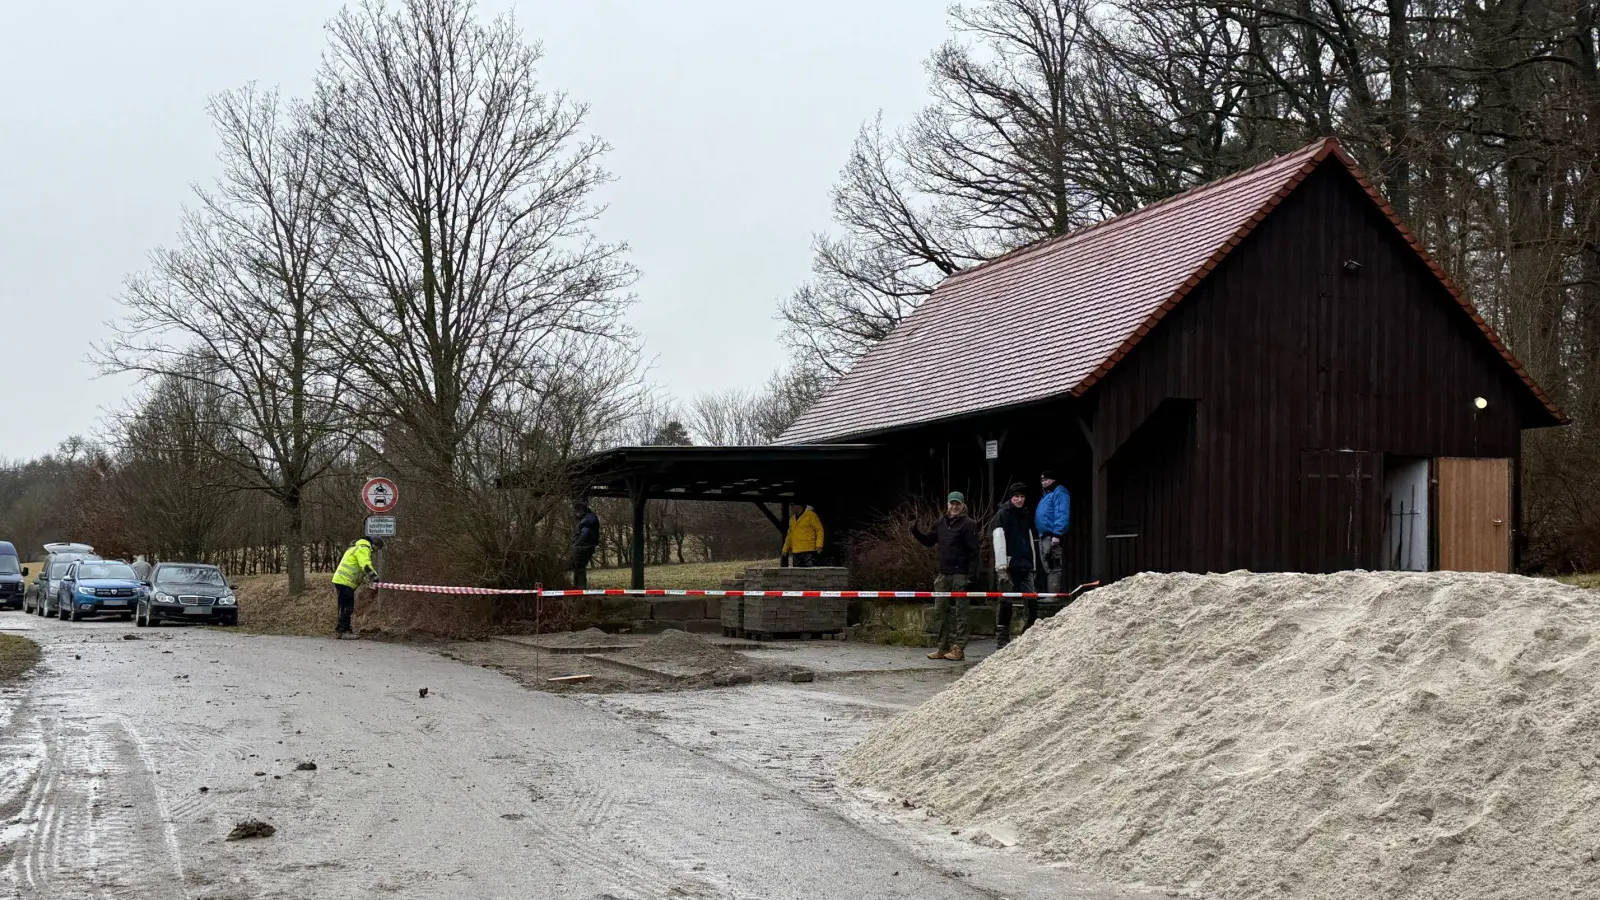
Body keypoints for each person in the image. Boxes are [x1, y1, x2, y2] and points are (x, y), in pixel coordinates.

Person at [911, 491, 980, 661]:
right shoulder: (941, 523)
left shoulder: (969, 524)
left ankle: (958, 648)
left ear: (963, 506)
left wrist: (971, 577)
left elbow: (975, 552)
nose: (954, 506)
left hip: (960, 574)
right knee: (940, 610)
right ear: (948, 504)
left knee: (961, 613)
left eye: (958, 504)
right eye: (952, 503)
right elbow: (929, 541)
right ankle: (943, 647)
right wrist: (915, 532)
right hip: (943, 574)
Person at [991, 483, 1038, 649]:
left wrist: (1033, 564)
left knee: (1032, 600)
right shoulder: (1003, 514)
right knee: (1006, 602)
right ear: (1011, 497)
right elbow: (998, 539)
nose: (1019, 500)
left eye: (1022, 497)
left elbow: (1030, 539)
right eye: (1016, 496)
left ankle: (1028, 633)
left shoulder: (1025, 514)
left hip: (1025, 564)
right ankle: (1002, 639)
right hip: (1008, 565)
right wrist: (1001, 567)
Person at [331, 537, 380, 638]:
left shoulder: (354, 548)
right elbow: (366, 565)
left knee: (343, 606)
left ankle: (342, 630)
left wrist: (367, 580)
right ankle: (344, 631)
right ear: (374, 545)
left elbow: (358, 569)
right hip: (346, 581)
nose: (376, 551)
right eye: (377, 548)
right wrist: (375, 578)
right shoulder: (363, 549)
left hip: (341, 580)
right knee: (347, 607)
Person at [1035, 469, 1071, 594]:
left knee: (1053, 564)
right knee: (1047, 564)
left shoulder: (1059, 492)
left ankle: (1054, 595)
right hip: (1044, 535)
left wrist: (1057, 534)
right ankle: (1051, 593)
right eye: (1042, 480)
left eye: (1046, 480)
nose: (1044, 482)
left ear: (1053, 480)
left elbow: (1062, 513)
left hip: (1053, 536)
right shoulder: (1047, 494)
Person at [781, 503, 825, 567]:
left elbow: (819, 530)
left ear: (799, 506)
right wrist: (785, 548)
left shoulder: (811, 515)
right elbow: (790, 535)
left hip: (808, 550)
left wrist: (819, 545)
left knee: (809, 573)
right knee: (797, 574)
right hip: (796, 551)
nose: (791, 508)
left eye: (792, 505)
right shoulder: (792, 519)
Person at [570, 501, 600, 588]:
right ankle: (579, 589)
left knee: (579, 567)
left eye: (577, 512)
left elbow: (584, 534)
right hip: (586, 546)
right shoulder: (590, 518)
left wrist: (576, 544)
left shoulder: (587, 520)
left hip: (584, 547)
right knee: (579, 567)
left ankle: (580, 590)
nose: (576, 514)